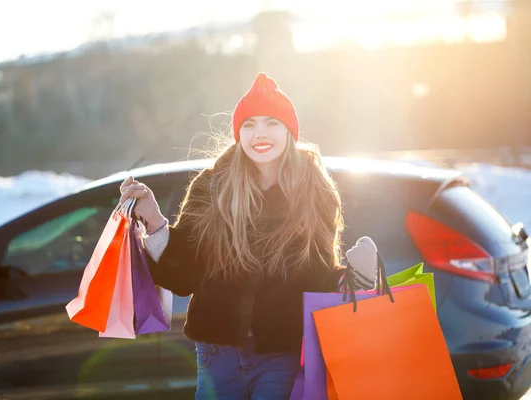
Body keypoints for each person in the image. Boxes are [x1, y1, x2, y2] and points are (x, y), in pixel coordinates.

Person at [118, 72, 378, 400]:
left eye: (272, 123)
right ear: (238, 133)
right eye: (250, 125)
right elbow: (183, 276)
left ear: (289, 131)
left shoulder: (314, 193)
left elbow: (318, 275)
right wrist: (154, 218)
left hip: (281, 352)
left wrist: (353, 278)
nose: (260, 134)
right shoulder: (212, 186)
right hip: (217, 352)